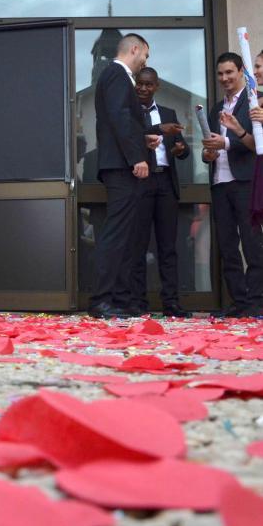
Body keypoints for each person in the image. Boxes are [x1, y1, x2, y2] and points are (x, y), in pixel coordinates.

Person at [88, 33, 151, 318]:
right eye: (145, 56)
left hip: (120, 163)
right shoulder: (116, 73)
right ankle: (102, 299)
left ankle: (118, 299)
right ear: (134, 49)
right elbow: (119, 117)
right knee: (115, 236)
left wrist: (144, 139)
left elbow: (124, 120)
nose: (145, 62)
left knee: (123, 236)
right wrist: (136, 156)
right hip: (121, 167)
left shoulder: (116, 76)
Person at [202, 51, 263, 317]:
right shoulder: (216, 108)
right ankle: (238, 301)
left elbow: (255, 146)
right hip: (220, 182)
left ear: (241, 72)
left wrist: (229, 139)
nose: (225, 78)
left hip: (245, 182)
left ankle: (255, 301)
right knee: (227, 246)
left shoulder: (254, 102)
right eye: (220, 73)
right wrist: (209, 154)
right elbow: (213, 146)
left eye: (229, 72)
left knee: (251, 243)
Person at [130, 67, 190, 317]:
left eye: (148, 85)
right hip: (140, 183)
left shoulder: (168, 113)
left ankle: (172, 303)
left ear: (157, 86)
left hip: (165, 182)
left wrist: (179, 150)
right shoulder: (130, 113)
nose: (143, 89)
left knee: (168, 247)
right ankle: (137, 303)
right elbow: (129, 139)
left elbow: (183, 149)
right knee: (138, 246)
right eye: (140, 85)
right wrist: (158, 130)